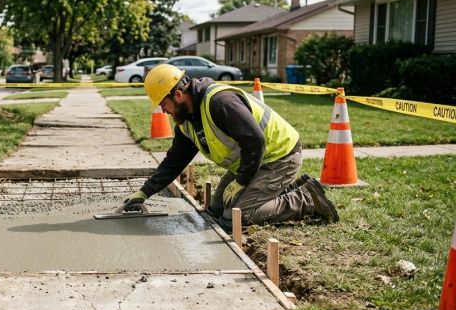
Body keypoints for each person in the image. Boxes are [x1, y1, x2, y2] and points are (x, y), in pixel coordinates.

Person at [118, 64, 339, 228]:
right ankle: (288, 188)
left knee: (239, 216)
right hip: (254, 161)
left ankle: (307, 199)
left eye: (164, 104)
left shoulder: (220, 102)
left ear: (178, 95)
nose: (164, 111)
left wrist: (242, 181)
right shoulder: (186, 121)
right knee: (216, 211)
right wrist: (144, 193)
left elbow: (255, 141)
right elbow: (174, 162)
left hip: (279, 158)